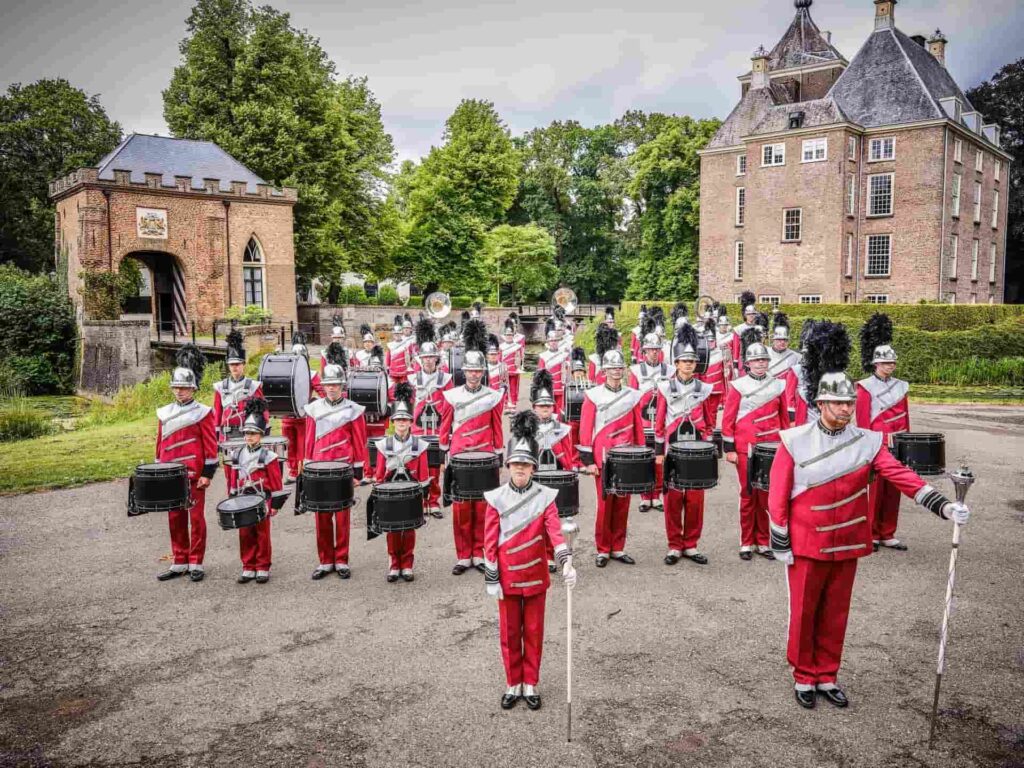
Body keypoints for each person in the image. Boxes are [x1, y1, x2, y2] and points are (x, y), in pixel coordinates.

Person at [769, 321, 969, 709]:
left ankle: (827, 674)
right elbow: (778, 496)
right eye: (837, 403)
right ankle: (803, 675)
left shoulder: (868, 442)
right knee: (805, 612)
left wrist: (943, 505)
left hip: (847, 539)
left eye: (848, 403)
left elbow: (901, 475)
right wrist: (780, 538)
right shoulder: (794, 441)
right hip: (808, 541)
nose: (845, 409)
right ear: (821, 404)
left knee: (837, 612)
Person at [483, 411, 577, 710]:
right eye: (516, 464)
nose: (520, 469)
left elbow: (555, 532)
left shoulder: (545, 497)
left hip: (536, 575)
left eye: (525, 465)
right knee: (510, 634)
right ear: (508, 466)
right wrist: (492, 577)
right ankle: (513, 682)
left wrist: (566, 563)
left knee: (534, 632)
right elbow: (489, 541)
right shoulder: (495, 498)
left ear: (533, 468)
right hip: (507, 577)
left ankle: (531, 682)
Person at [440, 319, 505, 575]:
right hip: (459, 455)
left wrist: (499, 455)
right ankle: (463, 555)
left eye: (478, 371)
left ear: (483, 372)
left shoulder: (493, 396)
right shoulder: (451, 396)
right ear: (463, 371)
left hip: (485, 455)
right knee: (460, 509)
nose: (474, 375)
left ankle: (479, 553)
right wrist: (445, 453)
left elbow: (497, 427)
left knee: (482, 507)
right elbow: (445, 427)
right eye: (470, 371)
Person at [722, 327, 790, 560]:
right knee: (748, 493)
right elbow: (728, 419)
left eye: (763, 359)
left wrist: (786, 444)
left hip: (772, 447)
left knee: (767, 495)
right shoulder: (738, 386)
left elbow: (783, 419)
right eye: (756, 360)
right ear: (748, 363)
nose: (760, 363)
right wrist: (729, 449)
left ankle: (763, 541)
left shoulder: (778, 385)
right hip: (746, 448)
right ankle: (746, 542)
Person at [155, 344, 219, 582]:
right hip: (171, 475)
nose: (180, 391)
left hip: (194, 475)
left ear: (193, 388)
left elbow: (210, 445)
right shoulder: (164, 413)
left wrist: (207, 473)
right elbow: (159, 445)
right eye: (176, 387)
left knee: (196, 519)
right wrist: (159, 471)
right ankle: (179, 560)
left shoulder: (203, 412)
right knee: (175, 519)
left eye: (184, 387)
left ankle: (196, 562)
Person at [301, 361, 368, 580]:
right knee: (321, 517)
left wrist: (358, 472)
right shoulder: (314, 408)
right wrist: (307, 469)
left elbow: (359, 442)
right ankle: (325, 560)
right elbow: (309, 440)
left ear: (342, 386)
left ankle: (341, 560)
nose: (331, 388)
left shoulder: (352, 409)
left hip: (343, 470)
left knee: (342, 517)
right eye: (328, 384)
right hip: (319, 470)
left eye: (335, 385)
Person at [579, 346, 644, 567]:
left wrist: (641, 457)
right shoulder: (593, 395)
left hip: (626, 457)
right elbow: (586, 429)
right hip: (603, 458)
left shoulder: (632, 395)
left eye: (619, 367)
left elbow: (639, 429)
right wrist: (588, 461)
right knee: (605, 504)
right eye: (612, 368)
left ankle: (618, 547)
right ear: (604, 370)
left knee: (623, 503)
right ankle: (603, 549)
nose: (616, 371)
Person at [654, 324, 713, 566]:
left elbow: (709, 422)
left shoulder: (704, 388)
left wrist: (709, 448)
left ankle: (691, 544)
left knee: (696, 499)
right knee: (673, 499)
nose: (688, 364)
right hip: (673, 450)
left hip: (697, 452)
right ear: (676, 363)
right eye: (683, 361)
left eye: (691, 361)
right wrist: (659, 453)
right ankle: (674, 545)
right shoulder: (665, 388)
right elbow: (658, 422)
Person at [856, 312, 912, 552]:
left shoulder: (901, 386)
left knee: (893, 491)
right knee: (874, 492)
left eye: (892, 363)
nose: (889, 366)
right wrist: (864, 449)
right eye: (885, 363)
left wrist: (908, 444)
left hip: (898, 444)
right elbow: (861, 421)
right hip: (876, 444)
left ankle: (887, 532)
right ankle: (870, 535)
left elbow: (905, 417)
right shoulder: (864, 387)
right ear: (875, 364)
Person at [371, 382, 429, 583]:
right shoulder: (383, 444)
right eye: (398, 420)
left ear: (411, 422)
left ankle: (407, 564)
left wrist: (425, 498)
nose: (402, 423)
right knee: (393, 529)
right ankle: (394, 563)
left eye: (405, 419)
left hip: (412, 492)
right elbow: (379, 473)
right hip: (390, 493)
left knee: (409, 529)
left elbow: (422, 474)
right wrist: (378, 490)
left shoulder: (419, 445)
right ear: (393, 422)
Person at [224, 397, 285, 584]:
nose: (249, 437)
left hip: (261, 499)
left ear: (261, 435)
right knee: (245, 533)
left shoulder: (269, 456)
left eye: (253, 433)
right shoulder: (237, 454)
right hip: (243, 499)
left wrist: (275, 504)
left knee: (262, 533)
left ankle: (262, 566)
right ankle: (248, 566)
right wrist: (232, 496)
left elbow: (276, 482)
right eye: (247, 433)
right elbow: (233, 479)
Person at [410, 317, 451, 518]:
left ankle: (433, 501)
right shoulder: (412, 379)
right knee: (418, 466)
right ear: (420, 359)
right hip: (418, 429)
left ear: (436, 358)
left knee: (435, 467)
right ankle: (420, 501)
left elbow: (450, 404)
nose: (427, 360)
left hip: (437, 428)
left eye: (431, 357)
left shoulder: (446, 379)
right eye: (424, 357)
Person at [629, 329, 670, 513]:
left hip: (662, 424)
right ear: (643, 351)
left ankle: (658, 494)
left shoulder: (670, 370)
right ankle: (645, 496)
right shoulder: (636, 371)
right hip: (643, 423)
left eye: (656, 349)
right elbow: (631, 399)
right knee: (644, 460)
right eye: (650, 349)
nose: (654, 352)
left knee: (660, 460)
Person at [280, 333, 324, 483]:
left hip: (303, 416)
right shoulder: (284, 373)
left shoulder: (311, 374)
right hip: (287, 415)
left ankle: (302, 471)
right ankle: (292, 471)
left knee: (303, 446)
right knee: (289, 445)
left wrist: (314, 402)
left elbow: (323, 393)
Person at [212, 329, 266, 440]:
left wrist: (262, 429)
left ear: (243, 364)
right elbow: (217, 413)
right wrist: (217, 432)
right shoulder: (220, 387)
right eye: (232, 365)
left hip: (248, 433)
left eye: (237, 364)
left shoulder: (253, 386)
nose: (234, 367)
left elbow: (262, 411)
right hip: (226, 433)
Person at [783, 320, 819, 427]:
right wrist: (792, 417)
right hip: (802, 411)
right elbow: (789, 395)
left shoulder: (821, 369)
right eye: (805, 354)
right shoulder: (796, 370)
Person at [697, 315, 727, 429]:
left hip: (716, 389)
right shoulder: (700, 353)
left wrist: (724, 398)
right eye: (708, 341)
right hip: (703, 388)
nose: (710, 343)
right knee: (703, 413)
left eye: (712, 341)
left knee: (713, 412)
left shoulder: (721, 353)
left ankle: (713, 431)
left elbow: (725, 376)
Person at [536, 320, 568, 417]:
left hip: (562, 388)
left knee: (561, 413)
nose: (553, 342)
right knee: (548, 413)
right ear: (548, 342)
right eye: (551, 341)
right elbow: (540, 375)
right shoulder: (543, 356)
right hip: (548, 389)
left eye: (555, 340)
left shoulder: (564, 354)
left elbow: (568, 372)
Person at [730, 291, 758, 376]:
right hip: (743, 360)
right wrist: (735, 365)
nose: (751, 316)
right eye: (749, 314)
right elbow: (736, 348)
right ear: (745, 315)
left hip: (758, 358)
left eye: (753, 314)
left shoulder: (759, 328)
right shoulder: (739, 329)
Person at [767, 312, 799, 382]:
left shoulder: (796, 356)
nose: (783, 342)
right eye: (779, 339)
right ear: (773, 340)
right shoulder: (765, 353)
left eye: (785, 340)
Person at [385, 314, 416, 385]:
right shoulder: (390, 344)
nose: (397, 335)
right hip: (393, 370)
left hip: (405, 370)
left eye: (398, 334)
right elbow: (388, 357)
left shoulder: (411, 341)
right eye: (395, 334)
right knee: (393, 388)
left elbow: (412, 355)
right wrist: (388, 367)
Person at [499, 317, 523, 412]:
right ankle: (505, 405)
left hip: (514, 371)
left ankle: (513, 405)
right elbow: (499, 359)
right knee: (504, 388)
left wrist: (518, 367)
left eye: (510, 335)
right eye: (507, 335)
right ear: (504, 335)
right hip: (504, 371)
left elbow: (519, 358)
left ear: (513, 335)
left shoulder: (517, 346)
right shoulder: (501, 347)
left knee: (513, 389)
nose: (509, 336)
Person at [486, 333, 509, 411]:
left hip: (499, 398)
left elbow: (505, 385)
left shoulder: (503, 366)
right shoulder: (484, 367)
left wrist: (502, 398)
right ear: (487, 355)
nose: (493, 356)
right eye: (491, 354)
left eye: (495, 354)